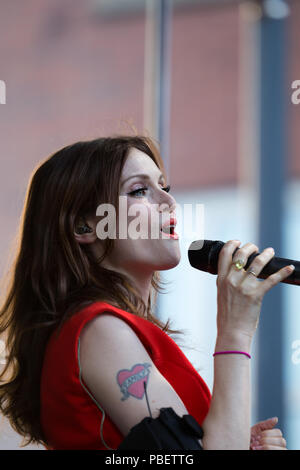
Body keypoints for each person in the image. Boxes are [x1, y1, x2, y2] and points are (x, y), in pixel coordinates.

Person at [0, 135, 289, 450]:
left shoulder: (113, 329)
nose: (169, 203)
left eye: (165, 188)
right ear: (83, 227)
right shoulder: (98, 329)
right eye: (139, 191)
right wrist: (234, 332)